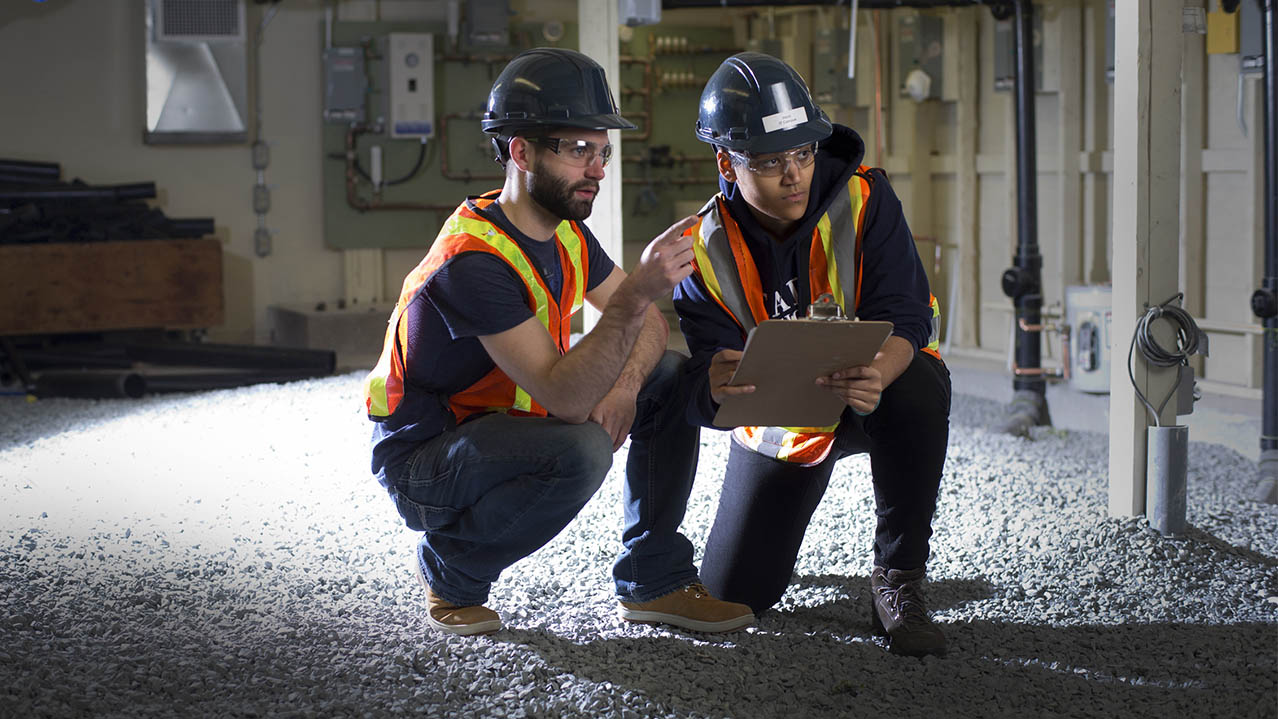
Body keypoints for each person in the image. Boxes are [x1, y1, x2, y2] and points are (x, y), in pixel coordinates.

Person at [362, 48, 754, 636]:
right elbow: (569, 397)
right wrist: (635, 294)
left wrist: (625, 384)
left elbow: (648, 327)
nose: (597, 169)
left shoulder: (567, 230)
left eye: (602, 152)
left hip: (498, 425)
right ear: (520, 151)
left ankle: (654, 579)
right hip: (426, 461)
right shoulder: (470, 260)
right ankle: (452, 570)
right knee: (580, 451)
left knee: (667, 376)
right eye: (577, 151)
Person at [673, 52, 951, 657]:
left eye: (803, 153)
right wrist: (713, 385)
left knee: (920, 387)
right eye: (772, 162)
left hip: (874, 393)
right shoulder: (701, 251)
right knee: (736, 591)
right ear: (727, 162)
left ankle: (899, 579)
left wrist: (877, 372)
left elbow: (907, 317)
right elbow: (702, 390)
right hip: (785, 422)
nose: (795, 174)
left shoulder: (865, 200)